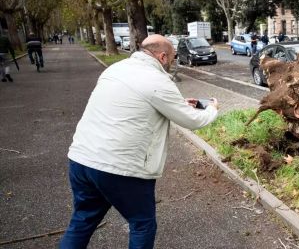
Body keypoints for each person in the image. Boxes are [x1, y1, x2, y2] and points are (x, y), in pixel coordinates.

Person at [60, 35, 220, 249]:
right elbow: (192, 120)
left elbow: (135, 101)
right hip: (119, 168)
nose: (173, 62)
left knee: (82, 220)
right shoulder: (158, 80)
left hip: (82, 159)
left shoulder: (115, 69)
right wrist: (212, 110)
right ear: (162, 56)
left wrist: (179, 103)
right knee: (142, 224)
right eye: (172, 58)